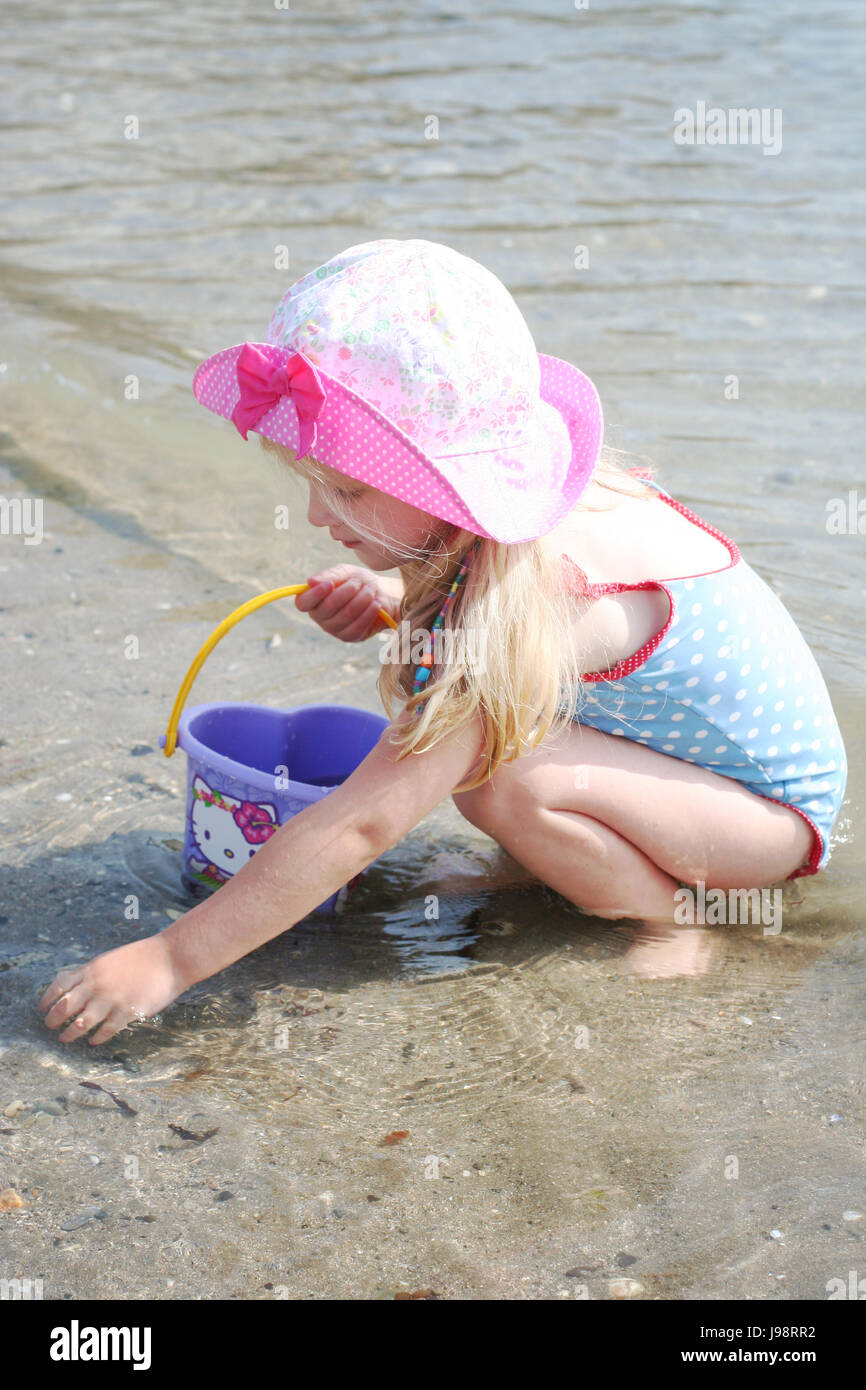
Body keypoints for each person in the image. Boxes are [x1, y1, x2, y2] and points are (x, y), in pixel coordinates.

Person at [39, 238, 847, 1045]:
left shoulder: (550, 594)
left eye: (348, 490)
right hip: (685, 773)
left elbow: (363, 824)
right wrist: (397, 597)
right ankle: (545, 868)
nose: (320, 516)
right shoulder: (505, 541)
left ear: (444, 487)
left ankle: (671, 918)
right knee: (487, 752)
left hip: (768, 819)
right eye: (312, 487)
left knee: (495, 777)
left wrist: (172, 959)